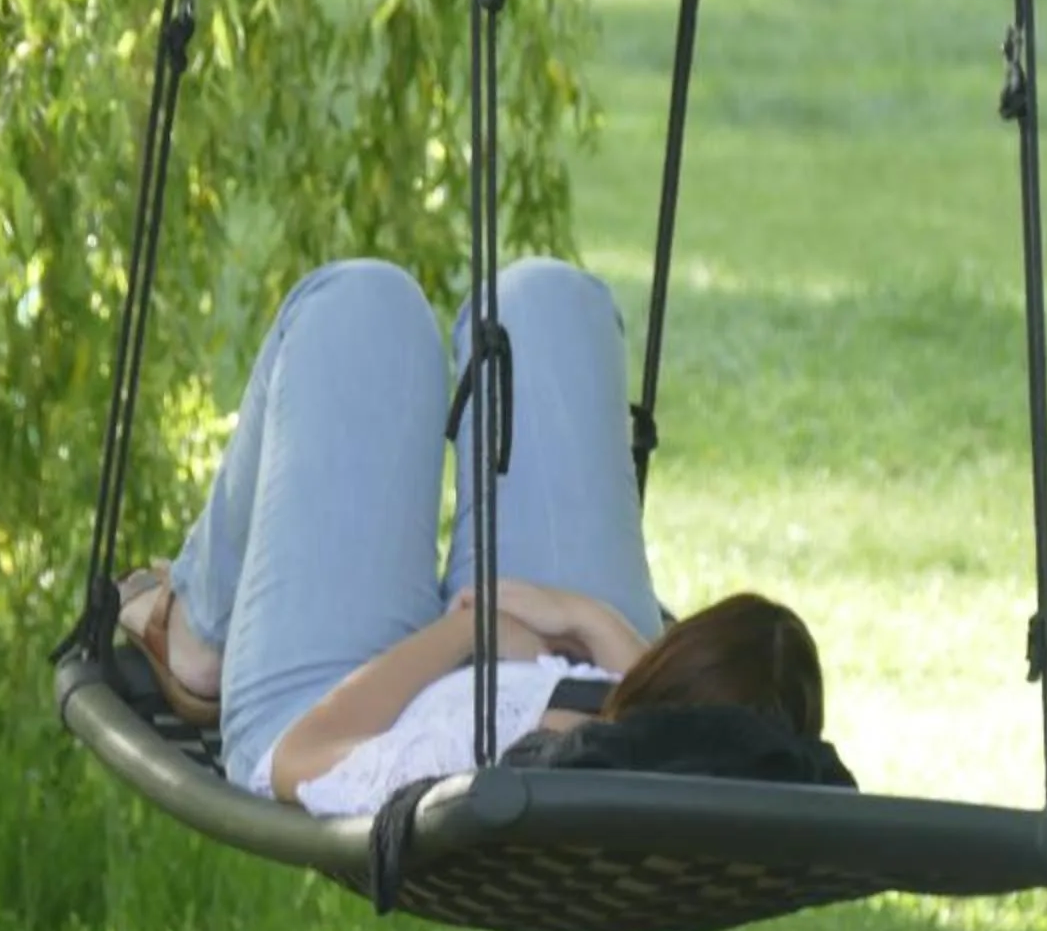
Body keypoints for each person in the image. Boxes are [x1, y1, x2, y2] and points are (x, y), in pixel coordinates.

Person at [115, 257, 829, 818]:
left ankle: (200, 639)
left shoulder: (486, 760)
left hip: (345, 703)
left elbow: (304, 755)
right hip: (544, 648)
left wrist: (472, 633)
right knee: (551, 299)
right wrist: (583, 619)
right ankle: (522, 621)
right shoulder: (648, 736)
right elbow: (659, 725)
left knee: (360, 307)